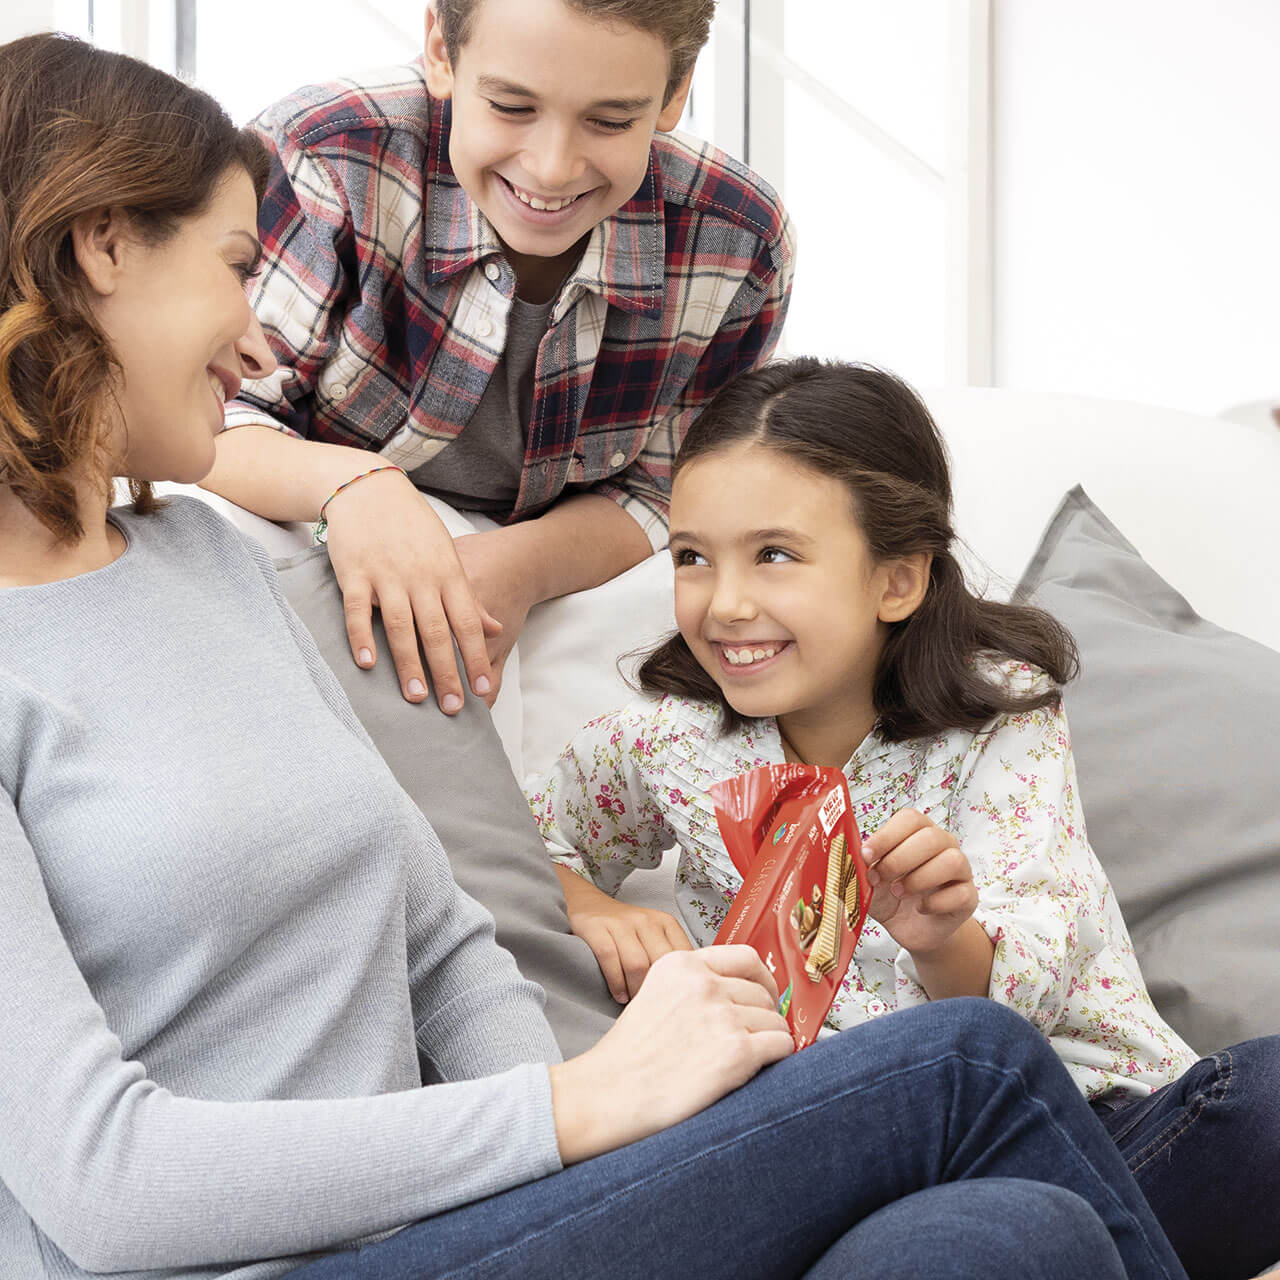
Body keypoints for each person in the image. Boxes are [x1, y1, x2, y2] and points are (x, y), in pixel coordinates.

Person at [0, 33, 1194, 1280]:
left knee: (1006, 1235)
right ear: (105, 251)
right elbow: (107, 1187)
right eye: (238, 267)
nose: (260, 342)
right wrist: (580, 1107)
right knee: (969, 1062)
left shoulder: (206, 559)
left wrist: (606, 1171)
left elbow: (445, 945)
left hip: (468, 1235)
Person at [526, 357, 1280, 1280]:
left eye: (774, 554)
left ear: (898, 582)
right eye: (691, 557)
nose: (724, 603)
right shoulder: (668, 747)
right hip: (869, 1174)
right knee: (972, 1244)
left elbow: (1022, 998)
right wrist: (591, 906)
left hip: (1095, 1122)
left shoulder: (1000, 719)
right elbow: (523, 842)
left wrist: (940, 937)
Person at [199, 0, 795, 716]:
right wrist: (357, 488)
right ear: (442, 52)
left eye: (609, 122)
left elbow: (676, 492)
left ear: (674, 93)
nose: (551, 168)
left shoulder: (737, 239)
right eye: (512, 106)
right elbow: (208, 412)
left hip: (562, 555)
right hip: (316, 506)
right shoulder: (329, 153)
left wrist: (520, 569)